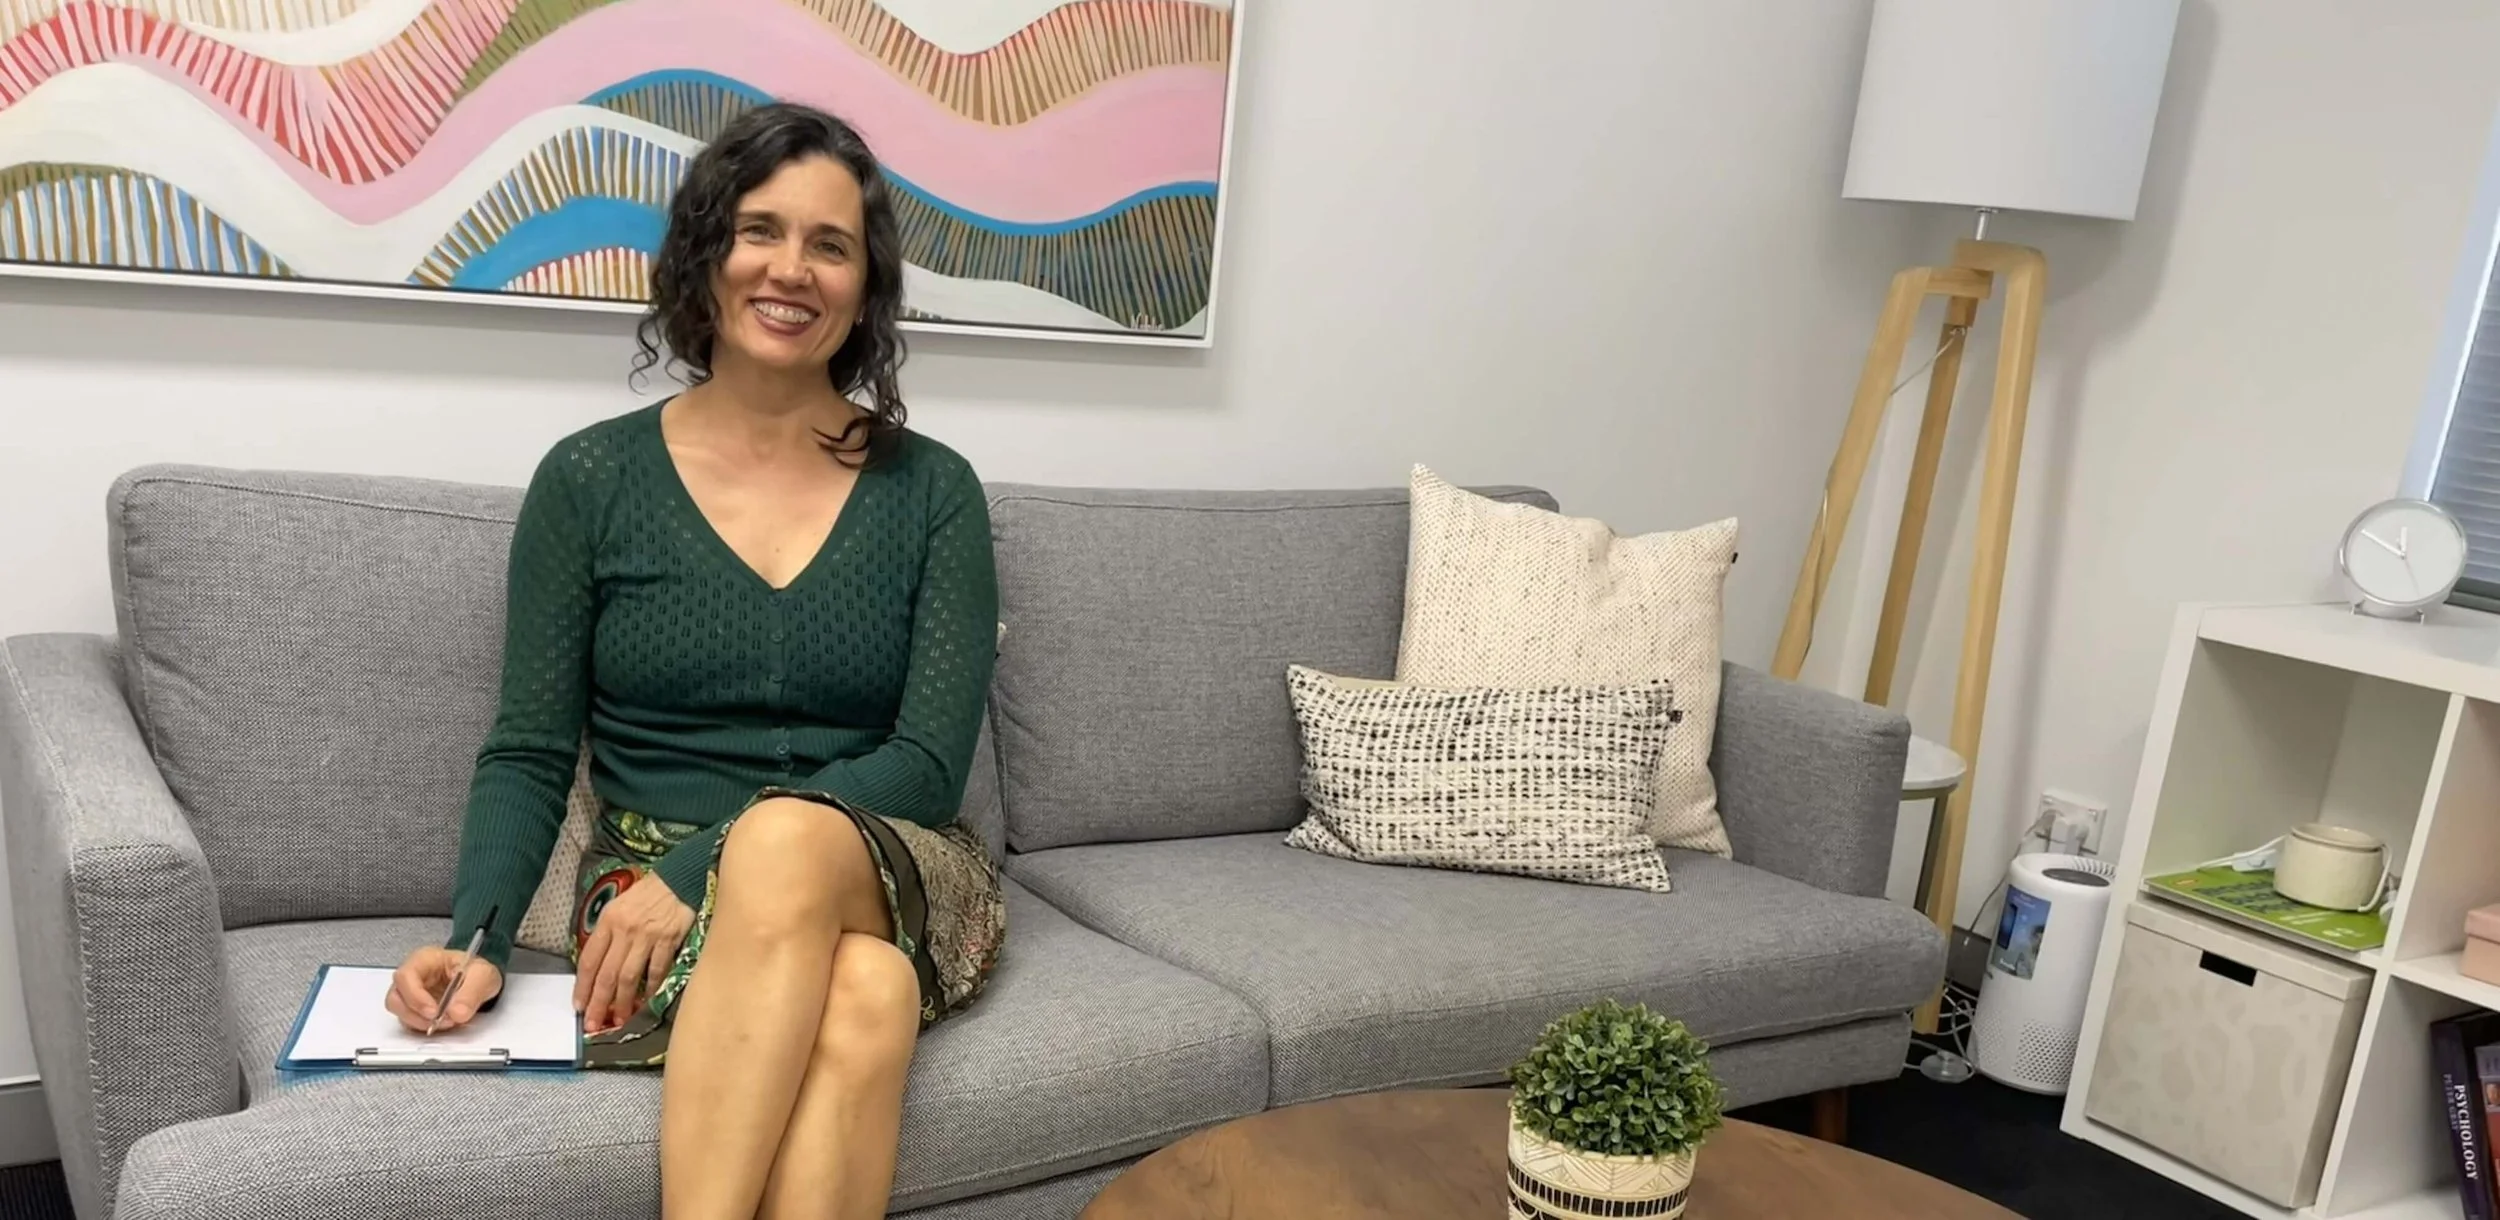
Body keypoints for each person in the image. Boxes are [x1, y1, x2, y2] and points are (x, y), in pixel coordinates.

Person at [386, 103, 1004, 1220]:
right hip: (644, 877)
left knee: (787, 840)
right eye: (760, 230)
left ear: (865, 285)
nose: (792, 269)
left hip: (883, 862)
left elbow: (925, 764)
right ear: (706, 253)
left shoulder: (935, 492)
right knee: (867, 990)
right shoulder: (588, 481)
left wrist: (701, 871)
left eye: (830, 244)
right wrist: (476, 936)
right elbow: (529, 748)